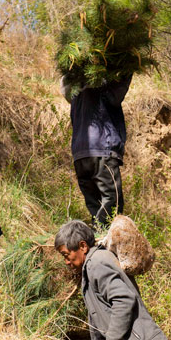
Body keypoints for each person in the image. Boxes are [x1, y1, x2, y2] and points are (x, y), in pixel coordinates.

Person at [62, 74, 131, 229]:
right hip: (101, 148)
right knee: (112, 200)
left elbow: (65, 88)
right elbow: (115, 97)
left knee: (95, 205)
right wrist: (127, 72)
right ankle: (103, 236)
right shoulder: (103, 83)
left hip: (80, 154)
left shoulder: (74, 88)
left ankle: (98, 238)